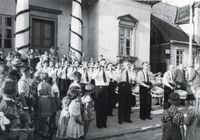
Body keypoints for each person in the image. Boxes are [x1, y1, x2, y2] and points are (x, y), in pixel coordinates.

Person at [92, 61, 109, 128]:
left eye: (105, 63)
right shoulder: (96, 71)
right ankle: (99, 124)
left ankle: (104, 123)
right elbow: (93, 77)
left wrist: (106, 70)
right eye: (102, 63)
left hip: (105, 88)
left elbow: (112, 77)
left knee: (105, 106)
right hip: (98, 88)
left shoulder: (107, 71)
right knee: (99, 107)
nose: (103, 64)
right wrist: (99, 70)